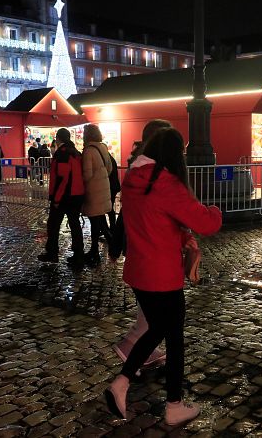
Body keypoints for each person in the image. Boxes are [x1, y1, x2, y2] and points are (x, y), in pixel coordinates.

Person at [104, 127, 222, 425]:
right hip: (163, 275)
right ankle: (173, 405)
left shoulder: (133, 178)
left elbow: (152, 220)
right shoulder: (167, 184)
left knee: (156, 329)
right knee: (174, 337)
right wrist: (215, 210)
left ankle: (122, 383)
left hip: (139, 271)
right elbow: (205, 223)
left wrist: (181, 237)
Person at [112, 119, 173, 367]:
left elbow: (127, 211)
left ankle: (143, 350)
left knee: (149, 308)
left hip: (142, 245)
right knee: (155, 311)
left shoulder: (139, 166)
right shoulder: (150, 171)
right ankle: (131, 349)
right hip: (149, 247)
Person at [37, 128, 85, 266]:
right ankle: (78, 254)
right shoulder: (76, 153)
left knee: (53, 225)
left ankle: (52, 253)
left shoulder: (62, 154)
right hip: (77, 194)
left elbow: (62, 179)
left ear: (58, 139)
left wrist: (56, 199)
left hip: (65, 196)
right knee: (75, 225)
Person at [81, 124, 113, 266]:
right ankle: (104, 247)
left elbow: (86, 175)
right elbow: (110, 168)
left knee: (95, 221)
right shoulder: (103, 148)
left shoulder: (88, 151)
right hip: (104, 189)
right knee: (99, 220)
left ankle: (96, 251)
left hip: (93, 191)